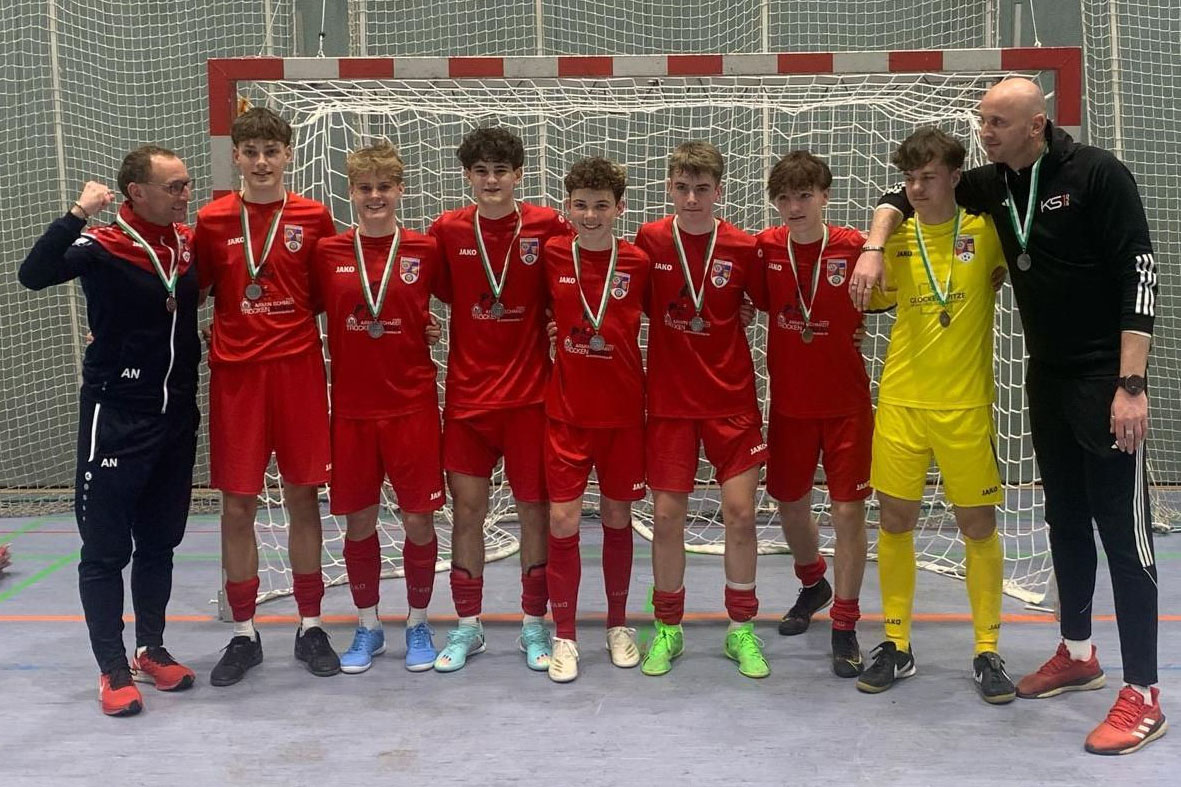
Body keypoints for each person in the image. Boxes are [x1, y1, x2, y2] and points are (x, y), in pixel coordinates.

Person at [852, 77, 1164, 754]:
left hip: (1105, 380)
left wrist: (1130, 382)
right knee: (1063, 521)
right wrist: (875, 242)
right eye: (981, 120)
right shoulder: (991, 185)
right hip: (1046, 381)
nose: (983, 130)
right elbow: (901, 193)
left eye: (996, 121)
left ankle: (1143, 692)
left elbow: (1140, 269)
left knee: (1123, 533)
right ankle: (1076, 651)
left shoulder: (1097, 174)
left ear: (1036, 124)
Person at [19, 146, 202, 716]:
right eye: (172, 186)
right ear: (135, 192)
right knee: (104, 551)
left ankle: (151, 648)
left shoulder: (187, 247)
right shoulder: (100, 246)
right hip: (117, 416)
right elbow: (34, 274)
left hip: (176, 416)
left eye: (186, 184)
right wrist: (77, 211)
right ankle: (111, 668)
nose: (184, 194)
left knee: (160, 542)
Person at [849, 128, 1014, 704]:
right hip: (901, 404)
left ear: (954, 177)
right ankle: (896, 643)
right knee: (894, 522)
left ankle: (988, 650)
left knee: (978, 528)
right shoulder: (894, 243)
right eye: (910, 178)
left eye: (929, 176)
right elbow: (865, 297)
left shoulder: (986, 233)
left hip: (965, 409)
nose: (918, 188)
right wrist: (869, 253)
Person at [195, 107, 340, 684]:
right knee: (237, 506)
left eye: (270, 152)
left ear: (287, 156)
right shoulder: (211, 220)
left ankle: (310, 624)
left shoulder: (315, 216)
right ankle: (242, 632)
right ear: (235, 155)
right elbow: (199, 290)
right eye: (250, 151)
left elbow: (329, 294)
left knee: (304, 499)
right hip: (237, 377)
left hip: (298, 371)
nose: (260, 162)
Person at [428, 127, 572, 673]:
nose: (491, 181)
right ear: (468, 176)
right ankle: (468, 627)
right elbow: (432, 291)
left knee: (534, 512)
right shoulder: (447, 230)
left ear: (518, 175)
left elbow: (571, 284)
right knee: (468, 512)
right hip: (467, 401)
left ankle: (534, 624)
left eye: (501, 171)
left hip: (532, 399)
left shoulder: (546, 226)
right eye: (481, 171)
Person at [751, 151, 891, 678]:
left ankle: (846, 624)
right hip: (789, 405)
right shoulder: (766, 248)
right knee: (789, 504)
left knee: (848, 512)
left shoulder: (856, 247)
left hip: (846, 407)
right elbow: (746, 301)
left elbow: (893, 291)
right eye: (784, 198)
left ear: (825, 196)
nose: (793, 206)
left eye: (804, 195)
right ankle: (814, 583)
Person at [632, 141, 769, 679]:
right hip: (669, 402)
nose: (692, 198)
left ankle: (741, 630)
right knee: (666, 518)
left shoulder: (742, 245)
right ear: (670, 188)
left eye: (702, 189)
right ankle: (668, 627)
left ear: (719, 191)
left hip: (731, 401)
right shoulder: (650, 239)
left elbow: (760, 307)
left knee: (740, 514)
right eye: (683, 188)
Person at [314, 142, 445, 673]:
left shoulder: (425, 250)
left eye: (384, 187)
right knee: (359, 523)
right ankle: (368, 626)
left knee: (418, 519)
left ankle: (417, 622)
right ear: (351, 193)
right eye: (365, 188)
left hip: (411, 405)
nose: (374, 196)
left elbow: (465, 304)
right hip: (351, 409)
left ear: (400, 190)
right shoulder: (326, 252)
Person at [542, 157, 650, 683]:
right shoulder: (551, 255)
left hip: (624, 415)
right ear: (568, 208)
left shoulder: (638, 262)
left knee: (617, 519)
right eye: (581, 205)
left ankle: (617, 624)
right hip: (566, 415)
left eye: (601, 205)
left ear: (619, 208)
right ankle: (564, 633)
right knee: (562, 521)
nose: (590, 215)